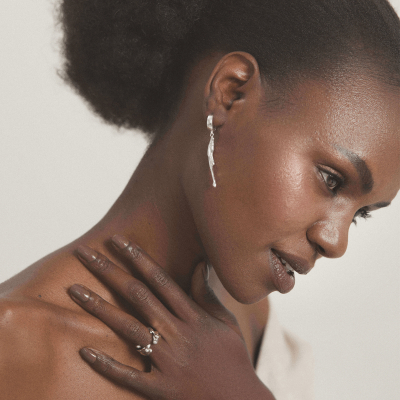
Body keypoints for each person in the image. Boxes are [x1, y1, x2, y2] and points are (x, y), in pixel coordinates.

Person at [1, 0, 399, 399]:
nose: (336, 243)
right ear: (231, 94)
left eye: (360, 214)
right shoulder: (17, 346)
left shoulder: (240, 325)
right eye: (332, 180)